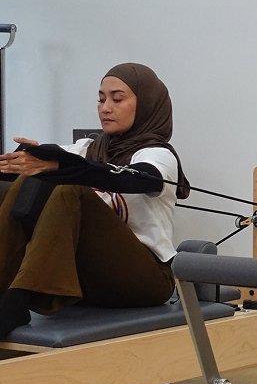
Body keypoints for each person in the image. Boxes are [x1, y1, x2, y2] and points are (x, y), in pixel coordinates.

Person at [0, 63, 189, 337]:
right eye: (101, 99)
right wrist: (31, 158)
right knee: (25, 180)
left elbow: (139, 179)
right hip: (91, 278)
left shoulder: (158, 154)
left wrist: (62, 167)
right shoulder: (89, 148)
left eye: (117, 99)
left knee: (71, 189)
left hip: (145, 280)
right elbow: (46, 161)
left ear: (146, 104)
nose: (105, 108)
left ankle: (17, 301)